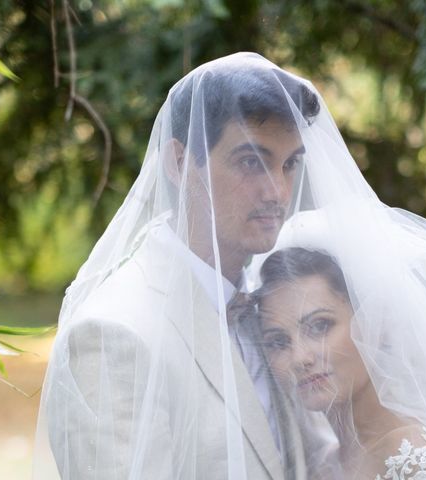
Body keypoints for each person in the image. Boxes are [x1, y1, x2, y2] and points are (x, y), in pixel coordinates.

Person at [33, 52, 329, 480]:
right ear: (177, 163)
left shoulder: (276, 310)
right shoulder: (112, 335)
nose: (278, 191)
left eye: (290, 164)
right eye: (251, 161)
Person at [250, 202, 426, 479]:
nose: (300, 357)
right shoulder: (320, 468)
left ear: (374, 323)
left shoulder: (422, 461)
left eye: (319, 326)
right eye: (277, 342)